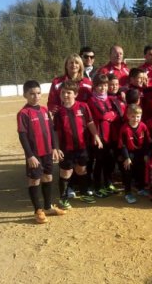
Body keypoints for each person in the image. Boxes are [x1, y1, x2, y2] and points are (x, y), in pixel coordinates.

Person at [17, 80, 66, 224]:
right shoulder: (23, 113)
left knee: (48, 178)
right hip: (35, 154)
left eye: (38, 93)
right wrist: (30, 155)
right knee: (34, 179)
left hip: (47, 152)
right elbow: (22, 136)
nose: (35, 96)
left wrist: (55, 148)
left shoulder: (44, 110)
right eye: (31, 94)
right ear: (25, 95)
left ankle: (47, 207)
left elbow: (51, 130)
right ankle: (38, 210)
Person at [54, 81, 103, 209]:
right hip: (66, 149)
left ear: (75, 94)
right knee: (66, 173)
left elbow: (90, 122)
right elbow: (56, 131)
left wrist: (96, 136)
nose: (65, 95)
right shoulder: (58, 113)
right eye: (63, 93)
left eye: (68, 93)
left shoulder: (83, 106)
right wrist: (56, 148)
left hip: (82, 147)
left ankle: (84, 193)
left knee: (82, 170)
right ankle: (63, 198)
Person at [87, 74, 119, 198]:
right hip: (99, 137)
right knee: (99, 162)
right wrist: (111, 114)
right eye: (100, 86)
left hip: (111, 135)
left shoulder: (109, 98)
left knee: (109, 161)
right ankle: (97, 187)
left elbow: (117, 113)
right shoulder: (92, 100)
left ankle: (108, 183)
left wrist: (111, 114)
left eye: (105, 85)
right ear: (94, 87)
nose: (103, 88)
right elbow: (102, 115)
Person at [118, 104, 152, 200]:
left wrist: (146, 154)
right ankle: (127, 193)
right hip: (130, 153)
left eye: (138, 116)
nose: (135, 119)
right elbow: (122, 145)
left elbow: (146, 142)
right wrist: (126, 157)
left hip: (141, 152)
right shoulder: (124, 129)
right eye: (133, 116)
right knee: (128, 172)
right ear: (128, 116)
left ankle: (141, 188)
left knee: (141, 171)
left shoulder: (143, 126)